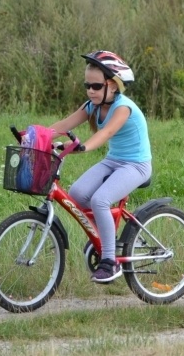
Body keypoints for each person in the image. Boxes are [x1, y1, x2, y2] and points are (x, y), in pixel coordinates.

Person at [49, 50, 152, 283]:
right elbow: (65, 124)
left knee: (100, 200)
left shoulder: (123, 107)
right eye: (87, 85)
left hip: (136, 165)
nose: (90, 91)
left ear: (113, 86)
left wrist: (84, 147)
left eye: (96, 86)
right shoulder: (92, 105)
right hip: (114, 161)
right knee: (76, 193)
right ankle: (103, 237)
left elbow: (107, 133)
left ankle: (109, 261)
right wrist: (36, 135)